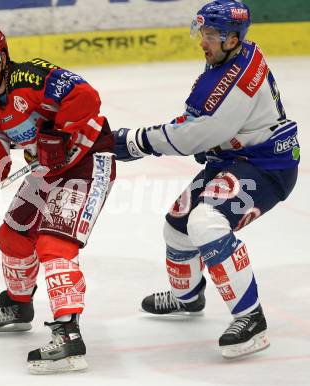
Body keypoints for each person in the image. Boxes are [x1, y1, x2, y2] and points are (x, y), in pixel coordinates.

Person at [113, 0, 299, 359]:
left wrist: (134, 141)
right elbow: (208, 128)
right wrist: (211, 139)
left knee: (207, 223)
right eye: (203, 33)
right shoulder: (235, 56)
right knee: (177, 228)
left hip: (267, 166)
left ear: (233, 39)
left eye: (211, 35)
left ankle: (251, 320)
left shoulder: (234, 78)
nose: (203, 42)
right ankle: (189, 297)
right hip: (236, 157)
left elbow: (195, 132)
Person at [0, 23, 115, 374]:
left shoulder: (34, 78)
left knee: (53, 243)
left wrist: (57, 131)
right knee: (12, 236)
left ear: (2, 57)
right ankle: (19, 307)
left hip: (88, 159)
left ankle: (68, 334)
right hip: (46, 172)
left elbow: (87, 96)